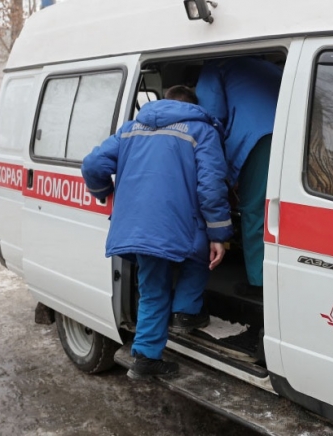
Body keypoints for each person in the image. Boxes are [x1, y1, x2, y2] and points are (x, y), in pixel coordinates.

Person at [81, 85, 233, 380]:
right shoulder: (202, 130)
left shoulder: (130, 129)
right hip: (179, 223)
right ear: (192, 105)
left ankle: (146, 357)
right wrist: (219, 234)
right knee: (202, 254)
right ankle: (186, 312)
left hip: (137, 225)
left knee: (152, 287)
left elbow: (92, 164)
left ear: (164, 101)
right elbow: (212, 186)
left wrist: (104, 191)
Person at [196, 56, 282, 296]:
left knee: (256, 209)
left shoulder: (215, 66)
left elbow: (209, 119)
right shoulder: (267, 64)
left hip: (258, 136)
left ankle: (259, 283)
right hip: (290, 130)